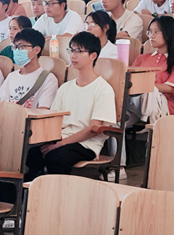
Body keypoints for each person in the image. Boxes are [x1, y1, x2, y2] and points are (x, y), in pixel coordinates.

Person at [25, 32, 116, 180]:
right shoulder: (65, 88)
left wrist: (60, 144)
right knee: (29, 151)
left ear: (93, 55)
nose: (73, 55)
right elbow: (54, 120)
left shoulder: (103, 89)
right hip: (61, 137)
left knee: (56, 157)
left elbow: (93, 129)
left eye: (78, 51)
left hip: (85, 143)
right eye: (71, 50)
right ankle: (31, 192)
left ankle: (58, 192)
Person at [131, 16, 174, 118]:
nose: (151, 36)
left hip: (161, 104)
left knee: (151, 92)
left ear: (168, 33)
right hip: (136, 101)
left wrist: (143, 87)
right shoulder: (142, 58)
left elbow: (170, 88)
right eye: (150, 32)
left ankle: (146, 119)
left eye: (156, 32)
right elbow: (130, 80)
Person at [0, 28, 58, 109]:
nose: (17, 51)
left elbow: (43, 111)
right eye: (15, 47)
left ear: (36, 50)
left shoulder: (49, 79)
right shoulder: (11, 76)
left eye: (21, 46)